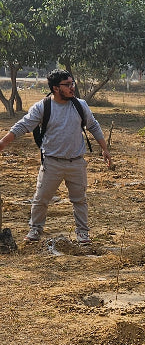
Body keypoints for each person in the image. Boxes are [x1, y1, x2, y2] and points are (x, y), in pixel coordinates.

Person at [0, 69, 111, 244]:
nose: (72, 87)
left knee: (80, 200)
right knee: (41, 199)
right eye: (67, 85)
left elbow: (93, 126)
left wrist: (105, 149)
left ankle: (83, 233)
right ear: (55, 88)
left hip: (76, 163)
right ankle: (35, 230)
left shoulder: (80, 105)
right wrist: (3, 143)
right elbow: (23, 125)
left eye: (72, 83)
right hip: (52, 163)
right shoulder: (43, 107)